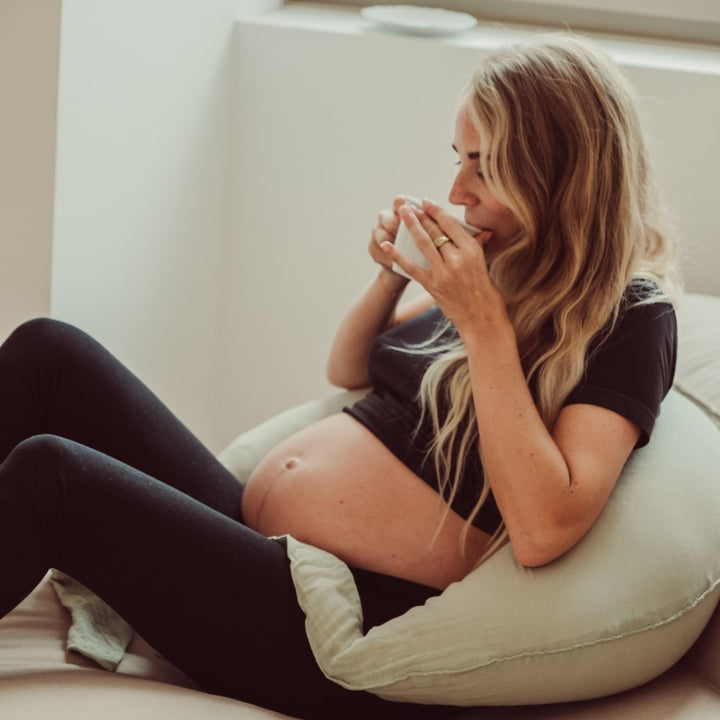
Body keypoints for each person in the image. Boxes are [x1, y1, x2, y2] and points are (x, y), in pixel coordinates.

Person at [0, 34, 678, 720]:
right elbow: (350, 367)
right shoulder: (504, 266)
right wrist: (389, 274)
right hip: (266, 549)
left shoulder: (629, 320)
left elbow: (544, 528)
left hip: (334, 626)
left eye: (486, 165)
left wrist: (483, 325)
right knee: (46, 350)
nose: (456, 190)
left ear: (560, 173)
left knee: (52, 477)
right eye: (458, 158)